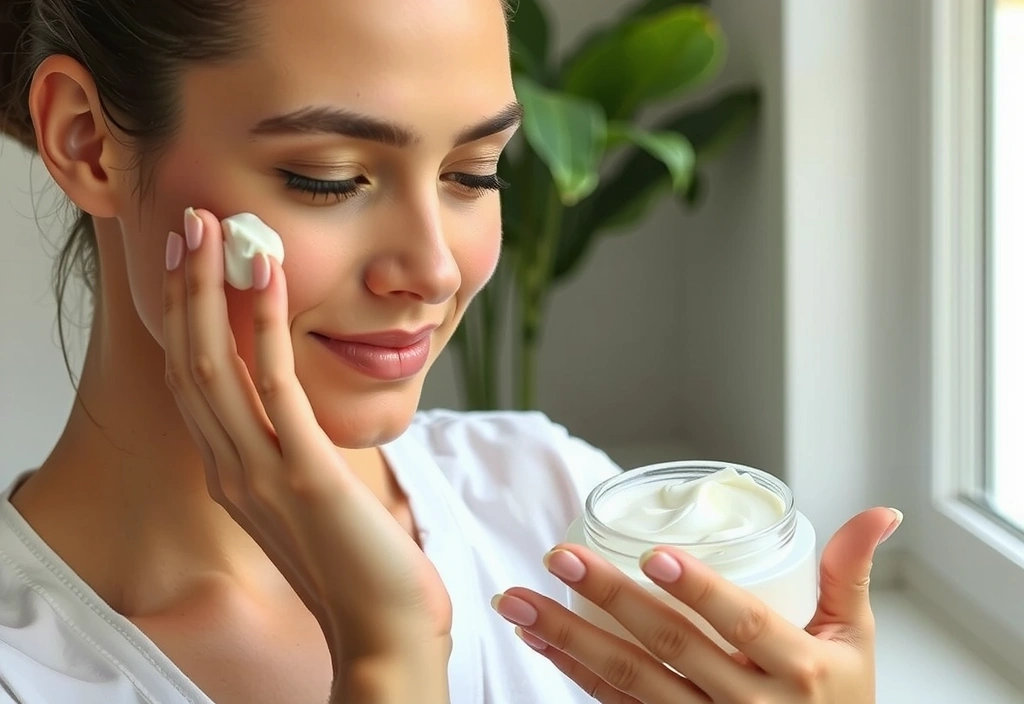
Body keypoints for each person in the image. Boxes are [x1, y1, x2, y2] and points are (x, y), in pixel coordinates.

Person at [0, 0, 903, 702]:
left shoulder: (547, 503)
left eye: (474, 175)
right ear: (86, 140)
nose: (432, 269)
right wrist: (389, 652)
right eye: (330, 180)